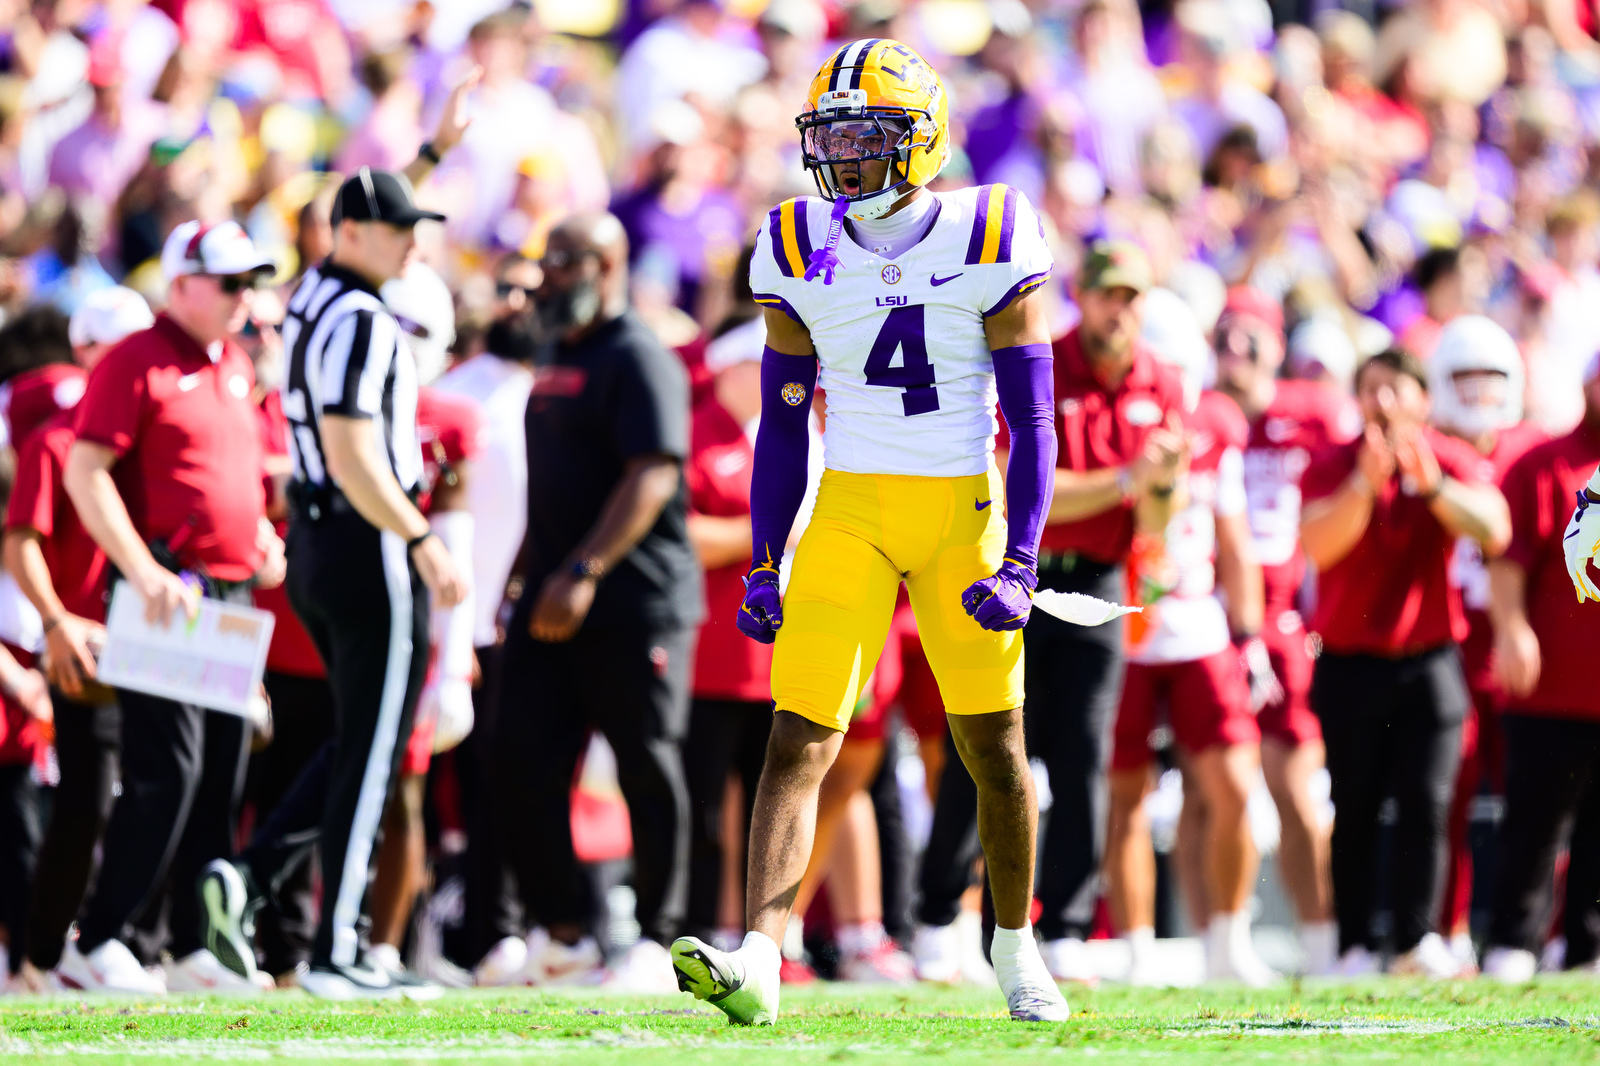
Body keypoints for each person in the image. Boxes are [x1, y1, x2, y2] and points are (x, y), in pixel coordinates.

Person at [671, 39, 1069, 1024]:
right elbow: (781, 423)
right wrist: (765, 559)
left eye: (865, 133)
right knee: (797, 731)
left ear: (922, 136)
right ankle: (761, 959)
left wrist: (1021, 558)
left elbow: (1033, 418)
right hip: (849, 504)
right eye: (830, 134)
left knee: (991, 747)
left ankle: (1015, 946)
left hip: (961, 507)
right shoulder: (795, 242)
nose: (842, 155)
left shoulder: (992, 228)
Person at [212, 168, 465, 1001]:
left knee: (361, 739)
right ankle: (337, 947)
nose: (414, 243)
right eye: (399, 228)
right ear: (351, 233)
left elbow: (360, 216)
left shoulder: (318, 295)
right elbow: (354, 447)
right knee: (375, 752)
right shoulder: (359, 317)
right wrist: (419, 533)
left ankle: (250, 880)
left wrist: (429, 152)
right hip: (369, 540)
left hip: (319, 540)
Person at [56, 220, 285, 994]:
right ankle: (101, 935)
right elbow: (86, 474)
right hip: (166, 587)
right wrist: (137, 569)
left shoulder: (233, 363)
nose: (242, 297)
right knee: (166, 769)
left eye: (247, 282)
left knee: (220, 767)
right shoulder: (136, 359)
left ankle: (194, 943)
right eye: (228, 283)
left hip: (227, 591)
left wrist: (258, 533)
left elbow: (234, 471)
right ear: (181, 283)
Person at [491, 211, 699, 993]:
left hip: (631, 600)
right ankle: (567, 931)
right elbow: (553, 483)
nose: (545, 277)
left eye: (564, 262)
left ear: (606, 267)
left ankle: (659, 936)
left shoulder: (639, 355)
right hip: (551, 596)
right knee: (519, 757)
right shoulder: (553, 352)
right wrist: (525, 570)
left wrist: (582, 570)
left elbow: (653, 472)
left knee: (647, 763)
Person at [1299, 348, 1511, 978]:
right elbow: (1317, 543)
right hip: (1349, 664)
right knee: (1356, 806)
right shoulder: (1335, 461)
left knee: (1428, 801)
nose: (1383, 403)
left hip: (1430, 661)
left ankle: (1419, 941)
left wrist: (1434, 486)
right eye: (1370, 390)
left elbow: (1495, 530)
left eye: (1395, 390)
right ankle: (1356, 944)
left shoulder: (1445, 458)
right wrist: (1365, 481)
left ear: (1423, 399)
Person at [1105, 294, 1274, 987]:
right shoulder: (1112, 416)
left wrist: (1252, 633)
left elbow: (1233, 538)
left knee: (1235, 786)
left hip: (1198, 621)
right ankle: (1138, 948)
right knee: (1125, 797)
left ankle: (1228, 940)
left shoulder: (1216, 423)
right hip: (1123, 623)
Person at [6, 286, 150, 990]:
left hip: (156, 636)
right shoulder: (53, 440)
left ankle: (120, 944)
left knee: (163, 788)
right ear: (87, 351)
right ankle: (42, 955)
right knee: (87, 799)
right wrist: (57, 621)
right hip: (83, 643)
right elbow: (22, 541)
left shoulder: (154, 431)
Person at [1212, 288, 1349, 975]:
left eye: (1249, 335)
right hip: (1214, 612)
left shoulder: (1315, 413)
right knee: (1214, 788)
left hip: (1291, 616)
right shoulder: (1207, 414)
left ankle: (1322, 942)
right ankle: (1216, 943)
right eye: (1224, 335)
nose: (1234, 349)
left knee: (1295, 787)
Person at [1425, 316, 1546, 968]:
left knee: (1538, 795)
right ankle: (1444, 932)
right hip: (1448, 644)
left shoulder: (1534, 451)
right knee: (1448, 791)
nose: (1478, 389)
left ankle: (1538, 936)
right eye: (1464, 375)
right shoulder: (1424, 447)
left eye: (1491, 374)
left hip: (1516, 642)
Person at [1484, 351, 1600, 980]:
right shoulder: (1542, 463)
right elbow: (1507, 560)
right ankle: (1512, 945)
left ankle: (1587, 950)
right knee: (1533, 825)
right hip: (1549, 688)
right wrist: (1512, 628)